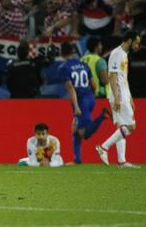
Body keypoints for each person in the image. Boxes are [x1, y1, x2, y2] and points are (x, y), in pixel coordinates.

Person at [96, 31, 141, 168]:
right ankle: (103, 147)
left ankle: (121, 161)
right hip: (119, 95)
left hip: (123, 94)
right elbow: (113, 76)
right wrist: (117, 97)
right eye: (136, 42)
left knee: (121, 127)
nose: (138, 45)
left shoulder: (124, 55)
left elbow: (123, 78)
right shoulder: (117, 54)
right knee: (131, 126)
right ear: (129, 40)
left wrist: (130, 97)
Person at [59, 42, 109, 164]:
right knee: (75, 129)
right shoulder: (83, 64)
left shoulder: (63, 68)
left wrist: (76, 106)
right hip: (90, 98)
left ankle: (103, 116)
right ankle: (77, 159)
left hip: (80, 101)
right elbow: (93, 84)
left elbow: (70, 87)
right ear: (73, 51)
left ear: (61, 53)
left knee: (84, 134)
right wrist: (90, 96)